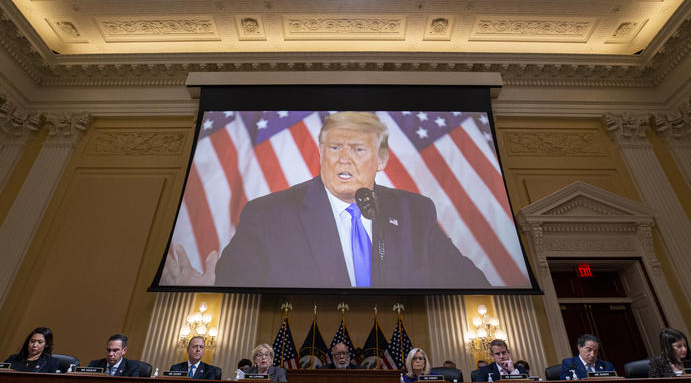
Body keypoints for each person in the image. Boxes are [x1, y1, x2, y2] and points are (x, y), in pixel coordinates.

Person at [164, 111, 490, 289]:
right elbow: (236, 285)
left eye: (358, 149)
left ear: (382, 158)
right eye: (335, 148)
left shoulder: (414, 212)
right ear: (321, 153)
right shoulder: (267, 215)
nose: (343, 160)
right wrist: (208, 291)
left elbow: (473, 284)